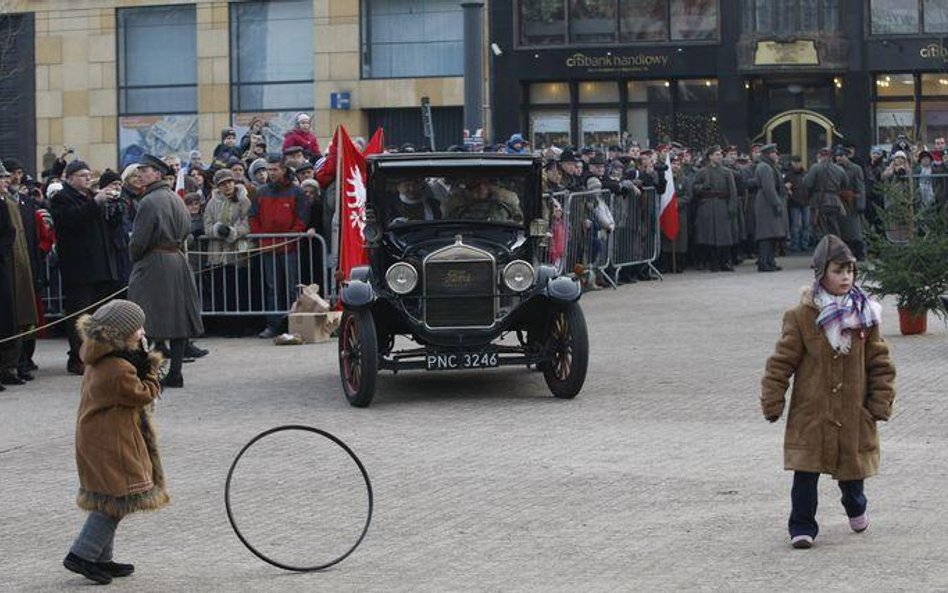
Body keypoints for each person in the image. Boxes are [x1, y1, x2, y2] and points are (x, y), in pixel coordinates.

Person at [760, 234, 896, 550]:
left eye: (850, 270)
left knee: (852, 474)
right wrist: (773, 397)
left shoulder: (866, 315)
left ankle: (856, 505)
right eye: (838, 270)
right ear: (822, 273)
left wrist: (879, 402)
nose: (845, 277)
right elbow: (781, 361)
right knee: (805, 474)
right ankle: (802, 526)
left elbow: (880, 362)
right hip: (812, 413)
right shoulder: (801, 316)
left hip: (852, 412)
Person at [62, 299, 167, 585]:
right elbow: (143, 393)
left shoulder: (102, 357)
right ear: (119, 333)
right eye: (137, 328)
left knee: (111, 497)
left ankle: (101, 557)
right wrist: (153, 370)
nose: (143, 332)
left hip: (102, 439)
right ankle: (82, 554)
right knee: (117, 499)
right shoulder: (117, 368)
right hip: (111, 444)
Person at [127, 155, 204, 388]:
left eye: (146, 170)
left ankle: (145, 373)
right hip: (177, 261)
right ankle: (175, 373)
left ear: (158, 174)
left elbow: (139, 241)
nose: (140, 174)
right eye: (139, 170)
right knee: (178, 319)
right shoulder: (176, 198)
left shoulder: (149, 202)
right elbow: (187, 230)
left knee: (144, 318)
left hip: (155, 263)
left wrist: (135, 256)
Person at [49, 160, 124, 375]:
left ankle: (96, 354)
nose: (87, 178)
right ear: (69, 177)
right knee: (79, 316)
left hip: (100, 266)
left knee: (97, 315)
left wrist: (114, 208)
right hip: (79, 269)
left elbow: (108, 227)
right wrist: (96, 202)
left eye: (89, 174)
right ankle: (77, 358)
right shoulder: (62, 198)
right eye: (82, 175)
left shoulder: (90, 197)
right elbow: (71, 220)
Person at [249, 155, 310, 338]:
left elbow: (302, 219)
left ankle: (294, 323)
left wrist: (289, 237)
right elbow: (253, 217)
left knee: (293, 287)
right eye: (269, 169)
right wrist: (263, 239)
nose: (271, 173)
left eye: (275, 169)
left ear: (283, 169)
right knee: (272, 288)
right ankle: (273, 325)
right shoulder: (261, 192)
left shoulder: (296, 192)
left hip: (289, 248)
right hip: (269, 248)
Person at [203, 169, 252, 311]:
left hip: (238, 252)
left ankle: (240, 322)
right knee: (220, 289)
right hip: (218, 253)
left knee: (240, 289)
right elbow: (207, 224)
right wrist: (217, 230)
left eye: (229, 182)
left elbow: (248, 223)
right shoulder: (212, 203)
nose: (227, 186)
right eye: (223, 184)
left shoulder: (244, 200)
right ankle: (224, 321)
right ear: (218, 187)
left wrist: (233, 232)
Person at [691, 145, 737, 271]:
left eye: (720, 154)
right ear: (710, 156)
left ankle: (725, 262)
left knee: (724, 236)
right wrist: (702, 187)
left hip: (722, 205)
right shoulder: (702, 172)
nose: (719, 156)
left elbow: (732, 191)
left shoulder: (727, 172)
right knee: (710, 237)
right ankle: (713, 262)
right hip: (707, 206)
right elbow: (694, 188)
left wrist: (732, 207)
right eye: (716, 154)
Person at [753, 143, 789, 272]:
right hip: (766, 203)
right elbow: (769, 188)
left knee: (773, 234)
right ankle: (764, 262)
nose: (776, 154)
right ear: (768, 154)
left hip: (768, 202)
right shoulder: (765, 167)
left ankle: (770, 261)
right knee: (766, 235)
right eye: (774, 152)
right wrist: (776, 203)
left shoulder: (769, 166)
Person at [442, 177, 523, 222]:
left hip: (499, 236)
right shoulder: (455, 201)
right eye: (475, 184)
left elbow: (518, 221)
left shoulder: (506, 199)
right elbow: (446, 221)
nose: (481, 187)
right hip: (464, 236)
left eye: (485, 183)